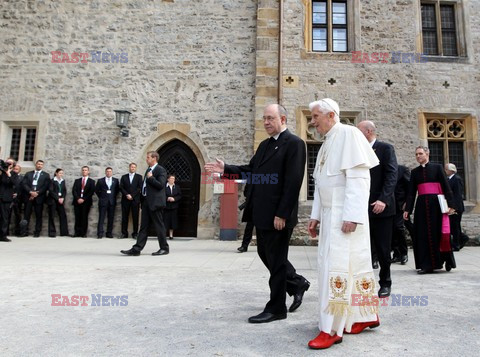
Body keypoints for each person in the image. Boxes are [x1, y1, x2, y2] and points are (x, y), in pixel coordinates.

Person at [205, 104, 310, 324]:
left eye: (270, 118)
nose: (266, 122)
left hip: (277, 216)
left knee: (277, 260)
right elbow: (251, 171)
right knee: (266, 254)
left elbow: (293, 183)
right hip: (260, 212)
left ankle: (276, 307)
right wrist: (226, 169)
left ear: (283, 118)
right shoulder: (264, 145)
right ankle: (296, 283)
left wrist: (282, 213)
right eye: (264, 118)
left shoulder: (295, 144)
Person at [307, 98, 380, 350]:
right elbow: (320, 183)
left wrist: (352, 216)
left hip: (344, 215)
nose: (312, 121)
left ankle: (332, 329)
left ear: (331, 115)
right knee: (353, 265)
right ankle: (365, 315)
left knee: (336, 268)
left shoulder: (349, 134)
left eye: (316, 116)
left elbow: (359, 179)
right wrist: (315, 216)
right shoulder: (327, 142)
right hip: (330, 214)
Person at [357, 120, 398, 298]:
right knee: (363, 249)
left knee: (382, 248)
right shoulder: (358, 150)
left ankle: (385, 283)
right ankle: (363, 284)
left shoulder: (385, 149)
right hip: (361, 207)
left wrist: (383, 200)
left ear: (368, 131)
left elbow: (391, 175)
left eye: (359, 131)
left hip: (381, 208)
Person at [403, 146, 456, 274]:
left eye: (420, 153)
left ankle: (446, 260)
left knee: (440, 233)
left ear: (427, 154)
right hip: (421, 206)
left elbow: (446, 186)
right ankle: (426, 265)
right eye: (416, 154)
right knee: (422, 235)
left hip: (436, 206)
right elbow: (411, 193)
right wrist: (408, 210)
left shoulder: (437, 168)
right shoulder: (415, 172)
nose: (418, 156)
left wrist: (451, 205)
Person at [121, 151, 169, 256]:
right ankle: (137, 249)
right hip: (147, 202)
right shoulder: (148, 169)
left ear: (154, 158)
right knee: (143, 226)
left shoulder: (160, 170)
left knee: (159, 226)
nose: (146, 159)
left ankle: (164, 248)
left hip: (155, 203)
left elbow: (161, 185)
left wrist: (151, 178)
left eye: (148, 157)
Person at [21, 160, 50, 237]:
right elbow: (24, 184)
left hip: (39, 198)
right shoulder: (28, 174)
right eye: (38, 164)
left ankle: (37, 232)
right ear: (36, 164)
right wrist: (30, 192)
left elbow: (46, 186)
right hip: (29, 197)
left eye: (41, 164)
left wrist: (37, 193)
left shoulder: (46, 175)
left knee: (38, 215)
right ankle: (24, 231)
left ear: (42, 166)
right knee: (26, 215)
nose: (39, 165)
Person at [444, 163, 468, 251]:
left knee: (455, 226)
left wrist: (454, 207)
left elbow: (457, 195)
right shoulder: (449, 179)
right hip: (451, 206)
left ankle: (456, 244)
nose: (445, 171)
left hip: (456, 207)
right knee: (452, 226)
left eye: (446, 169)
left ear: (451, 170)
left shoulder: (456, 179)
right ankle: (463, 238)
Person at [391, 165, 411, 264]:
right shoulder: (384, 169)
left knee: (399, 228)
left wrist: (407, 203)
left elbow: (409, 188)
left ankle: (404, 253)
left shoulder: (403, 169)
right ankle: (396, 254)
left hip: (400, 205)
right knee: (391, 230)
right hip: (388, 205)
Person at [119, 163, 142, 239]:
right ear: (129, 167)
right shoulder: (124, 177)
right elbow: (121, 187)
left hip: (135, 200)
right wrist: (127, 195)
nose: (133, 168)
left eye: (134, 167)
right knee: (124, 217)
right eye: (132, 167)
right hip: (125, 199)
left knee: (135, 217)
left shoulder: (139, 177)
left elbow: (139, 188)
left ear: (136, 168)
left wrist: (132, 195)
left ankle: (135, 233)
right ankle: (124, 233)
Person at [95, 167, 119, 238]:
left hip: (111, 201)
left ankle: (109, 233)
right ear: (105, 172)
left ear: (112, 172)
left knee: (111, 218)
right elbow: (96, 190)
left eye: (110, 171)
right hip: (103, 201)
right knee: (101, 218)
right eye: (107, 171)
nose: (109, 173)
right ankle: (100, 233)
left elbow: (117, 190)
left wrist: (112, 197)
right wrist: (102, 197)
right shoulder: (100, 181)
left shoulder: (115, 180)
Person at [72, 166, 96, 238]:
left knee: (84, 217)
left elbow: (91, 192)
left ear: (88, 172)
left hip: (86, 202)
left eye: (86, 170)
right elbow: (74, 191)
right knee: (77, 217)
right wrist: (78, 198)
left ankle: (83, 233)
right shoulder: (77, 181)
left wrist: (83, 199)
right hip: (77, 201)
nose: (84, 171)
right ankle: (77, 232)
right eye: (83, 170)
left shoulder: (91, 181)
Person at [47, 168, 69, 237]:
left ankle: (64, 232)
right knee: (52, 216)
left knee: (63, 215)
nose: (61, 174)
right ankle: (52, 232)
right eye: (60, 173)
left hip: (60, 201)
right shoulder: (52, 181)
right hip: (53, 200)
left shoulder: (62, 181)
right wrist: (57, 198)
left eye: (62, 173)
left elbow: (64, 190)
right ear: (56, 173)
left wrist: (63, 197)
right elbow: (51, 191)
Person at [0, 159, 15, 242]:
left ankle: (3, 235)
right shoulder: (1, 173)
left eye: (10, 163)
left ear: (13, 165)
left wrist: (8, 174)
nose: (8, 164)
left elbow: (14, 183)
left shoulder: (14, 174)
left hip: (6, 198)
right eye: (7, 163)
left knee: (4, 217)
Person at [164, 174, 181, 240]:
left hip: (174, 206)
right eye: (171, 178)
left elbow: (179, 195)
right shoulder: (164, 187)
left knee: (172, 221)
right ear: (168, 179)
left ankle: (171, 235)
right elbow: (161, 195)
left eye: (173, 179)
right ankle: (164, 234)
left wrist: (174, 199)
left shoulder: (177, 187)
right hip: (166, 206)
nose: (172, 180)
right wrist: (167, 198)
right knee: (165, 220)